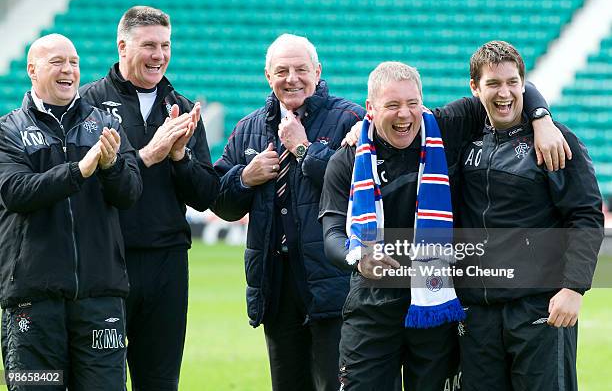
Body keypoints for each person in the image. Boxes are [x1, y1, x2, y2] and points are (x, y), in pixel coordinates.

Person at [319, 61, 568, 391]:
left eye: (412, 103)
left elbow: (508, 88)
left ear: (422, 102)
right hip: (373, 304)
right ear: (370, 108)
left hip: (438, 303)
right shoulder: (348, 159)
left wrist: (542, 118)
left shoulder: (446, 126)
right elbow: (332, 232)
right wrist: (358, 257)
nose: (405, 115)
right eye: (392, 105)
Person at [211, 33, 366, 391]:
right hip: (277, 287)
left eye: (301, 69)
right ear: (268, 75)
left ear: (318, 71)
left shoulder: (349, 119)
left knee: (338, 384)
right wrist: (243, 179)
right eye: (282, 70)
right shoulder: (249, 128)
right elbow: (220, 201)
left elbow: (360, 188)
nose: (292, 78)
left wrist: (303, 150)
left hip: (333, 283)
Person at [79, 6, 220, 391]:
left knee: (160, 381)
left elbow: (204, 195)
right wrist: (149, 153)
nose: (159, 55)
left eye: (165, 45)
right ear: (122, 46)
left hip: (166, 264)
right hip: (106, 261)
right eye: (149, 45)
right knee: (100, 381)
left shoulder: (184, 109)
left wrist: (180, 158)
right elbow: (81, 185)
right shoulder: (87, 105)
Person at [455, 40, 604, 391]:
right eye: (493, 84)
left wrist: (573, 288)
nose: (504, 93)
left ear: (524, 84)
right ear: (475, 88)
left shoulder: (556, 141)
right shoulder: (464, 140)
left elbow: (585, 216)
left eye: (512, 82)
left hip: (538, 307)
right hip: (477, 313)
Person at [0, 33, 142, 390]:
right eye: (57, 62)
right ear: (32, 70)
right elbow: (16, 192)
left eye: (74, 62)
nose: (69, 70)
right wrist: (80, 170)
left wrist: (109, 167)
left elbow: (129, 194)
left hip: (99, 299)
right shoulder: (8, 130)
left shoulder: (106, 125)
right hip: (32, 302)